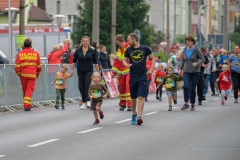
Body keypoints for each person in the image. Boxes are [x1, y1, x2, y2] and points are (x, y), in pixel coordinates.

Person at [123, 33, 155, 125]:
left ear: (134, 40)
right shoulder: (128, 50)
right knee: (133, 98)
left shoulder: (145, 48)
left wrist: (151, 69)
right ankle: (134, 114)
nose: (128, 43)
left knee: (141, 97)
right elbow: (124, 60)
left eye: (129, 41)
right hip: (133, 77)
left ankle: (139, 116)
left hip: (142, 77)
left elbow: (153, 58)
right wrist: (126, 65)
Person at [70, 36, 100, 109]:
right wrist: (71, 70)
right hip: (80, 70)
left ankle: (88, 101)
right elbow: (74, 60)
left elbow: (95, 61)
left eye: (87, 41)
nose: (85, 42)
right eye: (84, 41)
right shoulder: (78, 50)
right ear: (82, 42)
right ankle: (83, 102)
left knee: (87, 85)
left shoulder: (92, 50)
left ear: (89, 42)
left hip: (89, 70)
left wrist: (98, 71)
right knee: (81, 86)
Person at [179, 36, 205, 111]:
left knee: (193, 88)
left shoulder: (196, 49)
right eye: (187, 41)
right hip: (186, 70)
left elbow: (202, 59)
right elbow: (183, 60)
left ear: (193, 42)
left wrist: (197, 63)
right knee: (186, 86)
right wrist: (180, 69)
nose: (188, 43)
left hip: (195, 71)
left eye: (189, 41)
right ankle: (186, 103)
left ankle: (192, 104)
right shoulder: (184, 49)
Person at [15, 38, 42, 111]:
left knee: (25, 90)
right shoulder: (36, 53)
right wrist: (37, 74)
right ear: (31, 45)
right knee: (29, 90)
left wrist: (19, 74)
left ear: (24, 45)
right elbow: (39, 66)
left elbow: (17, 66)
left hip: (23, 75)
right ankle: (26, 105)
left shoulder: (20, 53)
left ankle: (27, 105)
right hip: (32, 75)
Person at [112, 34, 132, 111]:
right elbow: (116, 62)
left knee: (128, 87)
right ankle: (123, 104)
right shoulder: (120, 50)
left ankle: (130, 105)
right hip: (121, 73)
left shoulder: (129, 48)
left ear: (117, 41)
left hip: (129, 72)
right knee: (122, 89)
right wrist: (114, 73)